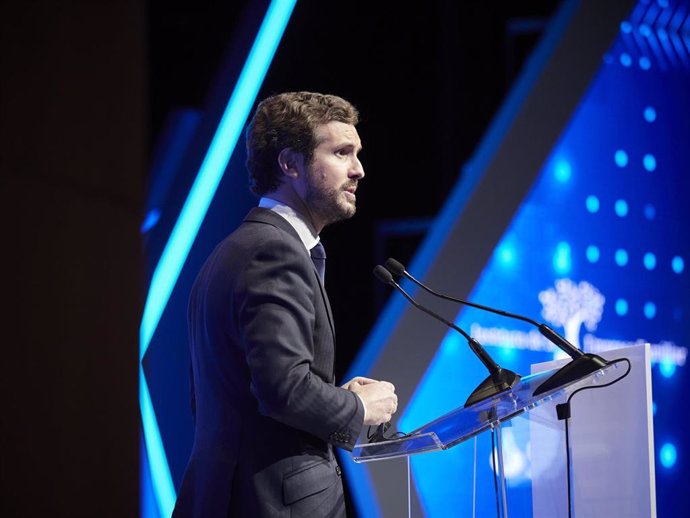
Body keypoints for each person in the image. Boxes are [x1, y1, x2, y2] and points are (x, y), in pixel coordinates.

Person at [172, 91, 398, 518]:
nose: (359, 170)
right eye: (342, 153)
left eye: (358, 154)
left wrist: (330, 396)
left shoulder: (236, 250)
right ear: (290, 164)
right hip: (273, 503)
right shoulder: (273, 252)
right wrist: (357, 409)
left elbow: (249, 388)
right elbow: (282, 390)